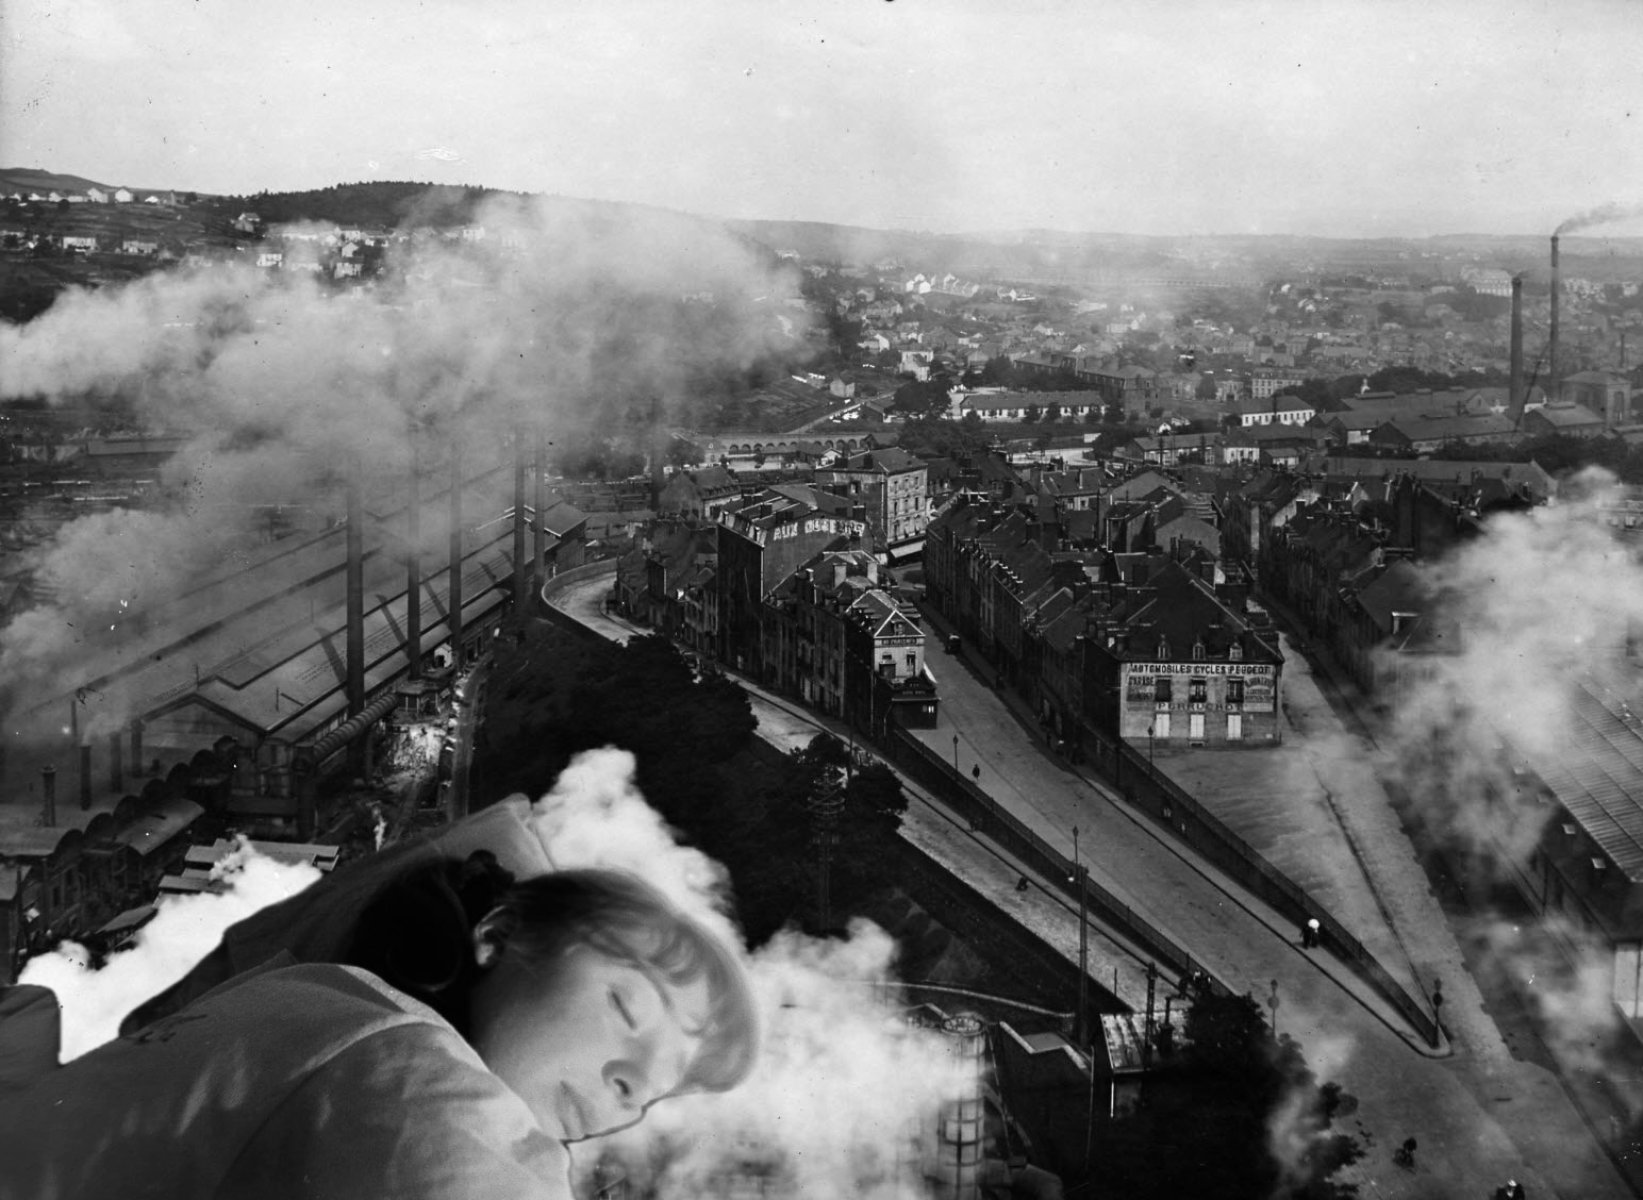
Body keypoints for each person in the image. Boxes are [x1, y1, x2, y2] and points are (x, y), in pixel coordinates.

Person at [0, 858, 759, 1200]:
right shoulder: (417, 1076)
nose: (630, 1087)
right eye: (627, 1008)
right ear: (499, 934)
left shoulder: (314, 990)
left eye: (651, 1095)